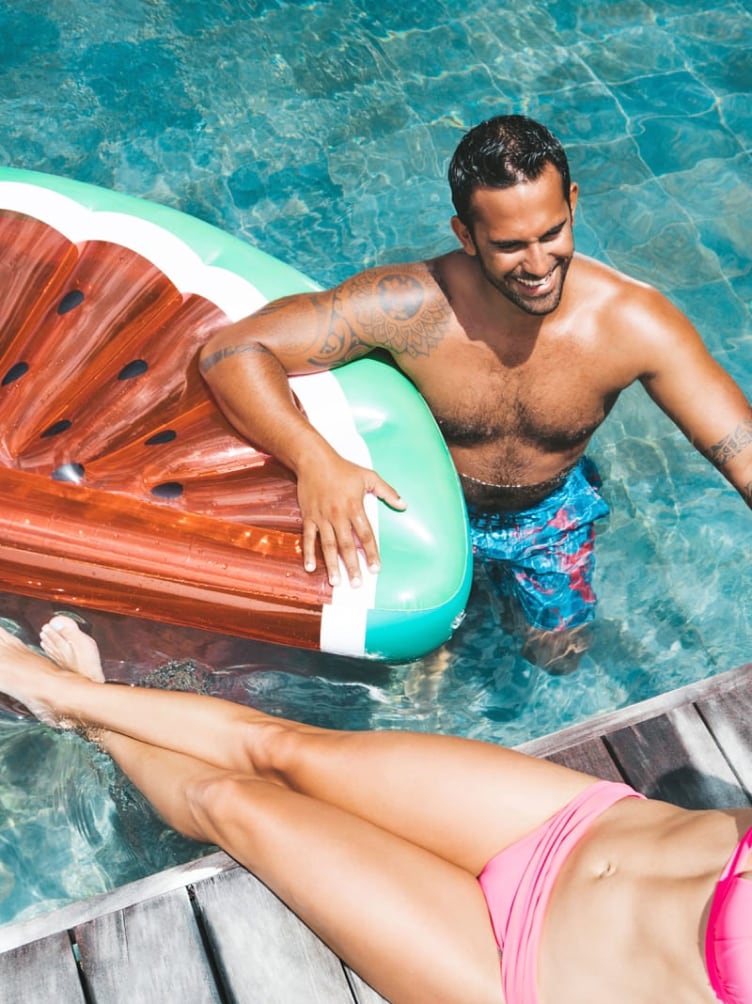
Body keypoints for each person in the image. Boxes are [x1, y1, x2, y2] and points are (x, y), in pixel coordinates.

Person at [198, 114, 752, 672]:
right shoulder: (409, 308)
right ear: (465, 235)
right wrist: (314, 459)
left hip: (546, 516)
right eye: (509, 245)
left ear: (573, 203)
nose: (538, 265)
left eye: (552, 233)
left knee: (557, 659)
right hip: (424, 510)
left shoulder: (633, 324)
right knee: (395, 661)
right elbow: (232, 351)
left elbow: (743, 454)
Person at [0, 615, 749, 1004]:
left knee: (235, 803)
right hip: (571, 825)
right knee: (287, 749)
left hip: (514, 973)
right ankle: (74, 696)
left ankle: (89, 721)